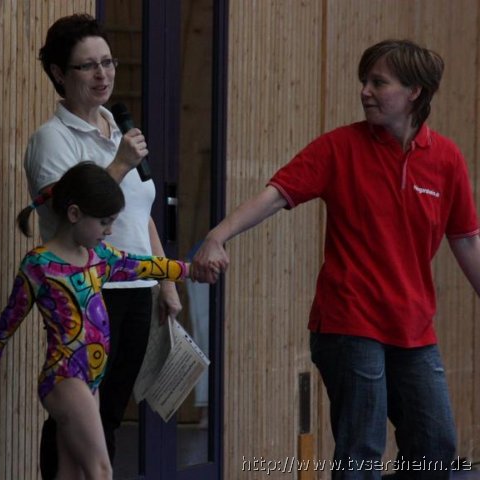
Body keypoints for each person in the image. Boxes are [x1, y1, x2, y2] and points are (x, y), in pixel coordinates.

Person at [193, 39, 480, 479]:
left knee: (436, 448)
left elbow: (467, 242)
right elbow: (275, 195)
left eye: (378, 83)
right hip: (349, 322)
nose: (365, 91)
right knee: (361, 451)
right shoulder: (339, 147)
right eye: (364, 81)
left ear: (414, 92)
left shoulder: (446, 159)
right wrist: (218, 235)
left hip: (413, 326)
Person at [22, 14, 183, 476]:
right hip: (85, 290)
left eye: (108, 62)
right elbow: (71, 215)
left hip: (134, 289)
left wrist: (165, 280)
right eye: (88, 66)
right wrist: (120, 164)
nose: (102, 74)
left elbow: (139, 214)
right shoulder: (52, 140)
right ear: (59, 73)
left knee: (110, 411)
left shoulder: (116, 127)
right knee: (77, 417)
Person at [0, 162, 197, 480]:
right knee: (100, 469)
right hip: (64, 377)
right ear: (74, 214)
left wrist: (190, 270)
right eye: (103, 222)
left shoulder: (100, 258)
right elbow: (10, 318)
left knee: (70, 473)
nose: (109, 231)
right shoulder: (40, 264)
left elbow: (145, 265)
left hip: (90, 380)